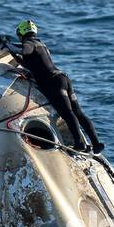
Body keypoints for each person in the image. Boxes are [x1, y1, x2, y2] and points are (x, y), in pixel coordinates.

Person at [10, 20, 103, 153]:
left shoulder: (29, 43)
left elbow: (24, 50)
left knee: (67, 113)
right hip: (63, 78)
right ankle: (96, 144)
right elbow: (35, 64)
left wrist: (7, 46)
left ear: (21, 33)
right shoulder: (41, 45)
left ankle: (80, 144)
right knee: (78, 112)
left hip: (53, 82)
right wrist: (18, 59)